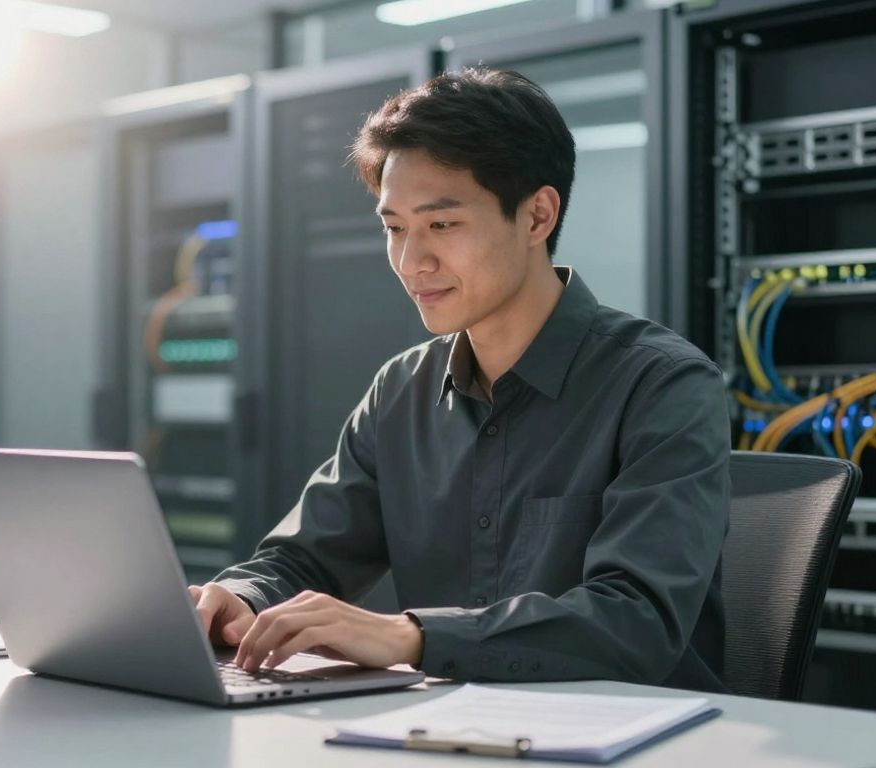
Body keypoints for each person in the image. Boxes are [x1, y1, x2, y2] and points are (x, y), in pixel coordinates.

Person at [190, 68, 730, 691]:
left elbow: (635, 620)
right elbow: (306, 556)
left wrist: (411, 636)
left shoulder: (663, 386)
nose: (411, 262)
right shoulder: (401, 392)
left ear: (536, 217)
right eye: (395, 228)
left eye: (441, 225)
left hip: (639, 740)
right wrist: (240, 598)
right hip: (448, 733)